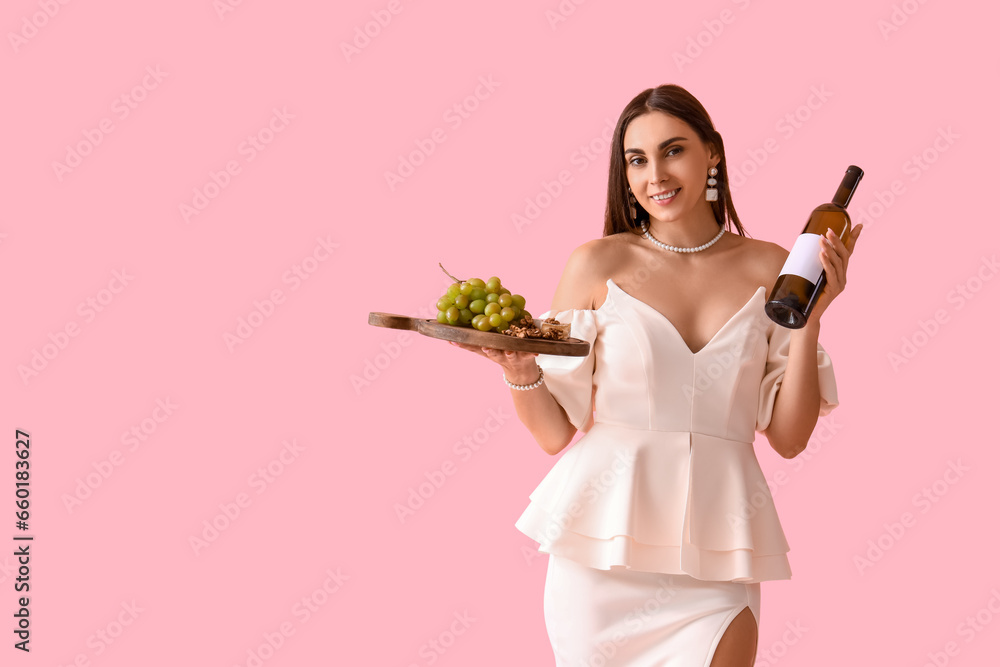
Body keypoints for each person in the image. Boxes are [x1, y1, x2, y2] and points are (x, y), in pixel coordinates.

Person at [449, 83, 861, 666]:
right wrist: (520, 371)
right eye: (636, 160)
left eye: (673, 151)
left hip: (718, 555)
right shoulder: (598, 263)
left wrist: (812, 321)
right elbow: (554, 434)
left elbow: (790, 440)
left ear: (712, 152)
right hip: (601, 560)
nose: (655, 176)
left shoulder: (771, 266)